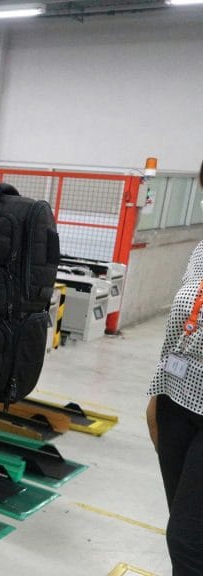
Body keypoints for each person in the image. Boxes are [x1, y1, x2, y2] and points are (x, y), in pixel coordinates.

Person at [146, 160, 203, 576]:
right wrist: (158, 391)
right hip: (178, 403)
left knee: (187, 542)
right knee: (186, 533)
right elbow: (183, 327)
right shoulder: (202, 250)